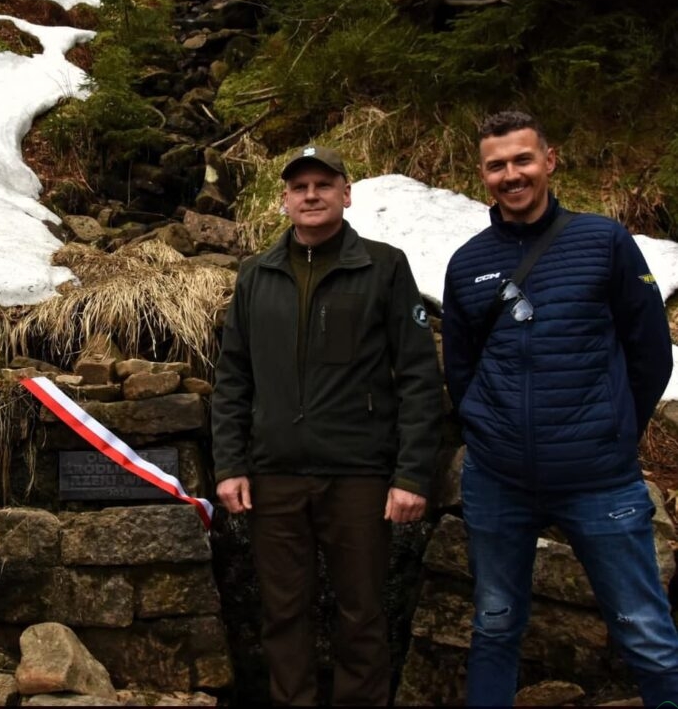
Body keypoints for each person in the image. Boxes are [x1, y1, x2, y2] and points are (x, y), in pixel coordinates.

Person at [441, 110, 678, 706]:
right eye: (497, 165)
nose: (511, 174)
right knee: (494, 625)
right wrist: (487, 431)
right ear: (482, 175)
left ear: (549, 161)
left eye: (523, 159)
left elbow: (651, 352)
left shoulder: (605, 242)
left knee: (646, 633)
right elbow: (461, 370)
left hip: (599, 480)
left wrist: (613, 432)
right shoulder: (467, 263)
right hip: (498, 481)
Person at [211, 144, 444, 705]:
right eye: (300, 187)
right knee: (282, 612)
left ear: (346, 193)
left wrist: (412, 475)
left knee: (362, 611)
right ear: (284, 200)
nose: (311, 195)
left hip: (358, 475)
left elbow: (419, 376)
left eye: (323, 184)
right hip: (274, 476)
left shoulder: (384, 267)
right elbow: (233, 377)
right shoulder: (255, 274)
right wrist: (230, 465)